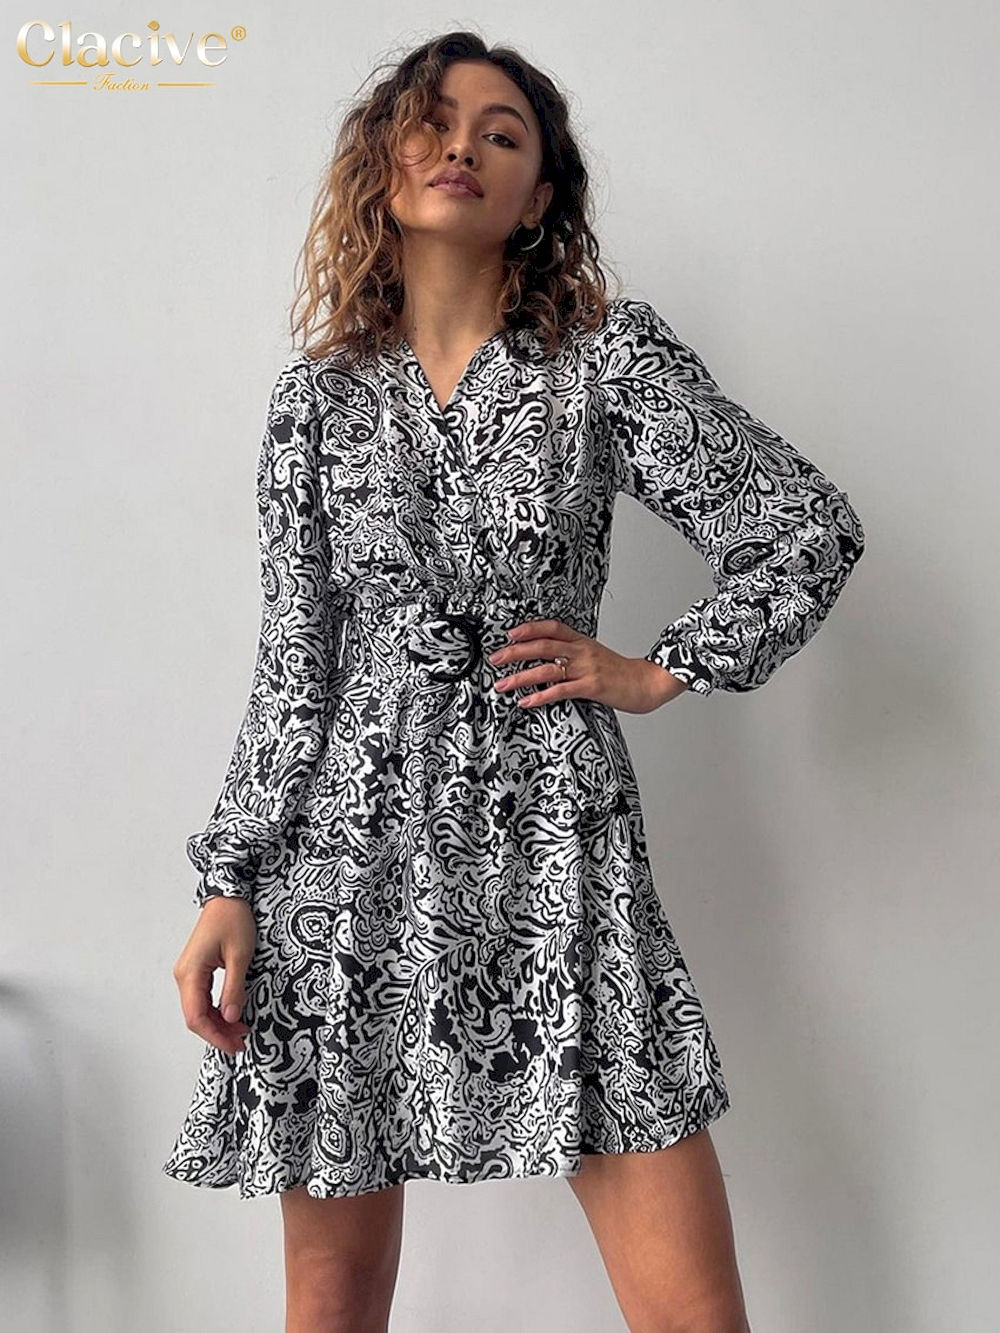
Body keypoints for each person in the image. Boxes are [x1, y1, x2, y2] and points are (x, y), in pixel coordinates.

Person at [163, 29, 865, 1333]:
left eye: (501, 134)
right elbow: (295, 664)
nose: (461, 148)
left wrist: (660, 668)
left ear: (539, 195)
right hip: (346, 863)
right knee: (331, 1302)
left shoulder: (609, 362)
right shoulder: (317, 401)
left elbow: (805, 530)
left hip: (555, 846)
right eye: (432, 124)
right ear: (383, 168)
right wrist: (229, 879)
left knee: (692, 1313)